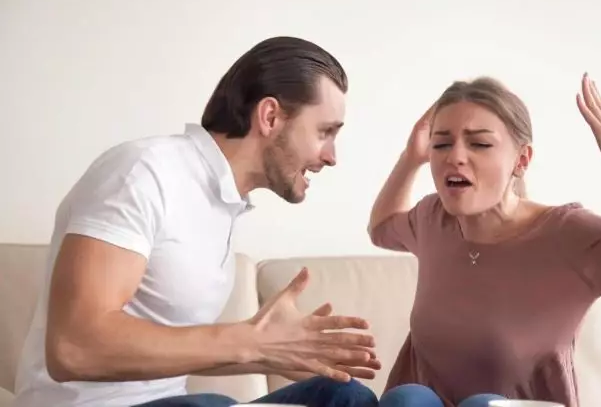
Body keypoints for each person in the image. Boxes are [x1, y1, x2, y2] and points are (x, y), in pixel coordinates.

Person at [12, 36, 381, 407]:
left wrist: (279, 350)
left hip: (170, 403)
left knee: (344, 396)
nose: (332, 157)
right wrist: (252, 342)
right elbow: (74, 346)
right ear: (270, 117)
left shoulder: (223, 204)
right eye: (325, 132)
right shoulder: (144, 172)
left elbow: (169, 345)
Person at [368, 73, 601, 407]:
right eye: (441, 143)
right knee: (407, 398)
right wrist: (410, 158)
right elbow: (382, 228)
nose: (454, 156)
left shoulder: (571, 237)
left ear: (521, 160)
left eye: (480, 143)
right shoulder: (433, 219)